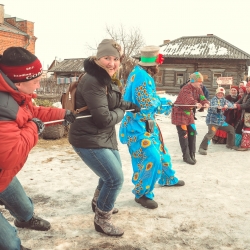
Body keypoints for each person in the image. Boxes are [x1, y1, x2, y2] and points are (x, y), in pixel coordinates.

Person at [0, 47, 76, 250]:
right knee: (9, 244)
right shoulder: (2, 106)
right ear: (18, 82)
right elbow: (10, 156)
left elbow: (32, 112)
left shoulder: (14, 94)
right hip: (4, 166)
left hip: (2, 174)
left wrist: (63, 113)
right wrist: (34, 128)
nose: (39, 84)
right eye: (35, 81)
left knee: (24, 208)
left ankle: (24, 219)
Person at [68, 39, 140, 237]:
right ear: (97, 58)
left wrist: (128, 105)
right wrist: (122, 112)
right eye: (107, 58)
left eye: (115, 59)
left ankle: (98, 202)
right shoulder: (94, 80)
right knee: (115, 179)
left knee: (110, 174)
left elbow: (111, 102)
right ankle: (102, 218)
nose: (112, 63)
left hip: (102, 136)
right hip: (89, 138)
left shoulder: (106, 77)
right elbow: (103, 119)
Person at [119, 45, 185, 210]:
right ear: (153, 63)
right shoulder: (141, 76)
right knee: (151, 158)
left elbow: (151, 98)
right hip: (137, 126)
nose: (159, 66)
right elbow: (146, 104)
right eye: (158, 63)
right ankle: (142, 193)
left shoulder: (143, 74)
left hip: (147, 124)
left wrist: (166, 102)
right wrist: (166, 105)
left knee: (161, 152)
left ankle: (168, 178)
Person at [171, 72, 210, 164]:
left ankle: (192, 154)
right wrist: (196, 104)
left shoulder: (199, 88)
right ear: (193, 81)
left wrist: (205, 103)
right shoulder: (186, 89)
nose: (200, 83)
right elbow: (188, 100)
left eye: (201, 81)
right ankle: (186, 155)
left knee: (192, 132)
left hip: (189, 114)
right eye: (199, 81)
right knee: (184, 134)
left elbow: (202, 97)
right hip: (180, 113)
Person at [198, 87, 247, 155]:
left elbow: (231, 104)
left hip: (221, 122)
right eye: (219, 93)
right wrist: (218, 108)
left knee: (231, 129)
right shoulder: (214, 99)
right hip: (213, 122)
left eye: (222, 93)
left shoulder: (224, 100)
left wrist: (227, 105)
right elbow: (214, 108)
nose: (220, 94)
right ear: (216, 93)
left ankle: (230, 144)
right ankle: (202, 148)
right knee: (211, 134)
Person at [234, 81, 250, 149]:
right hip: (245, 114)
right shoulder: (246, 94)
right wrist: (234, 104)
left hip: (249, 114)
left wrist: (237, 106)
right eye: (246, 87)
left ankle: (246, 145)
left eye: (248, 87)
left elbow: (247, 105)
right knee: (244, 128)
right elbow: (240, 100)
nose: (247, 88)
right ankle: (243, 144)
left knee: (247, 129)